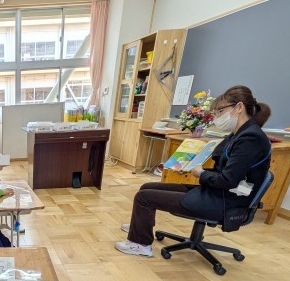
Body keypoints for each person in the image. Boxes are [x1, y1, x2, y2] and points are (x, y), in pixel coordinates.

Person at [116, 85, 272, 257]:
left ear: (239, 107)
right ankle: (139, 228)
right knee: (146, 187)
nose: (217, 117)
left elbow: (229, 180)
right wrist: (192, 168)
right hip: (217, 192)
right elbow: (226, 170)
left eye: (220, 111)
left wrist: (201, 173)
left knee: (144, 197)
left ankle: (140, 245)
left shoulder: (251, 138)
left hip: (226, 202)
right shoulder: (239, 134)